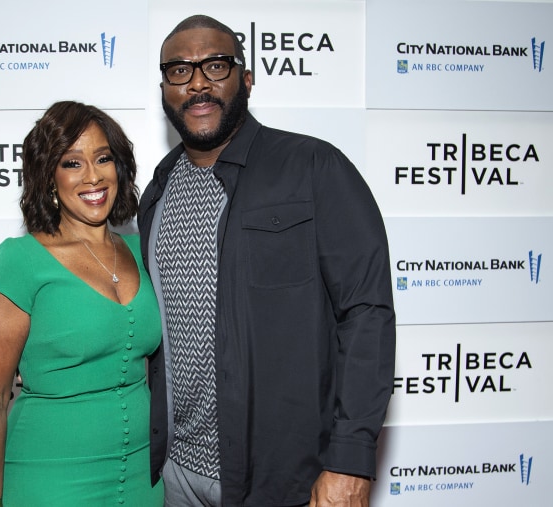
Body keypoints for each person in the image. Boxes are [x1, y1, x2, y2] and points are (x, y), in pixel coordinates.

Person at [138, 14, 396, 507]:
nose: (196, 83)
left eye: (215, 66)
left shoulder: (314, 168)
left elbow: (367, 315)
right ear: (164, 89)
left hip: (288, 481)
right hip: (176, 478)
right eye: (178, 71)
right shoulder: (157, 192)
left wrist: (349, 461)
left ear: (247, 79)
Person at [0, 101, 164, 506]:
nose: (92, 176)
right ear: (48, 176)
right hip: (52, 479)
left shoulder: (141, 250)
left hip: (144, 480)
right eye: (72, 163)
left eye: (103, 158)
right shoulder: (19, 261)